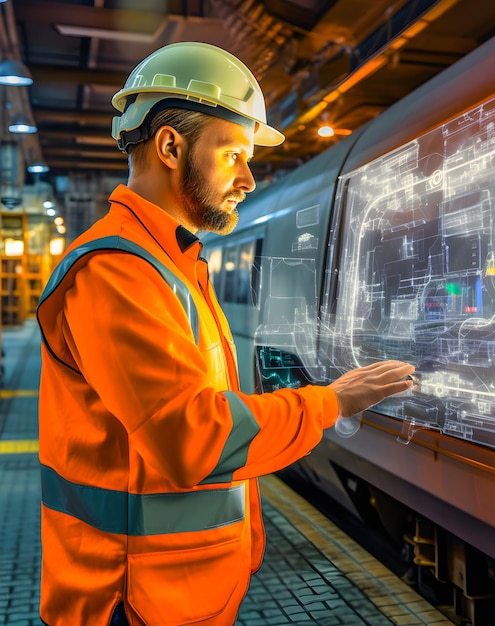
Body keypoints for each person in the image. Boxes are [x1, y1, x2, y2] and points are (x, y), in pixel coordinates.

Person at [36, 41, 414, 626]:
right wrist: (331, 401)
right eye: (233, 153)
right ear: (170, 146)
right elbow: (198, 441)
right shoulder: (116, 272)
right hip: (133, 600)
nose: (247, 178)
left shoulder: (174, 265)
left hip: (179, 590)